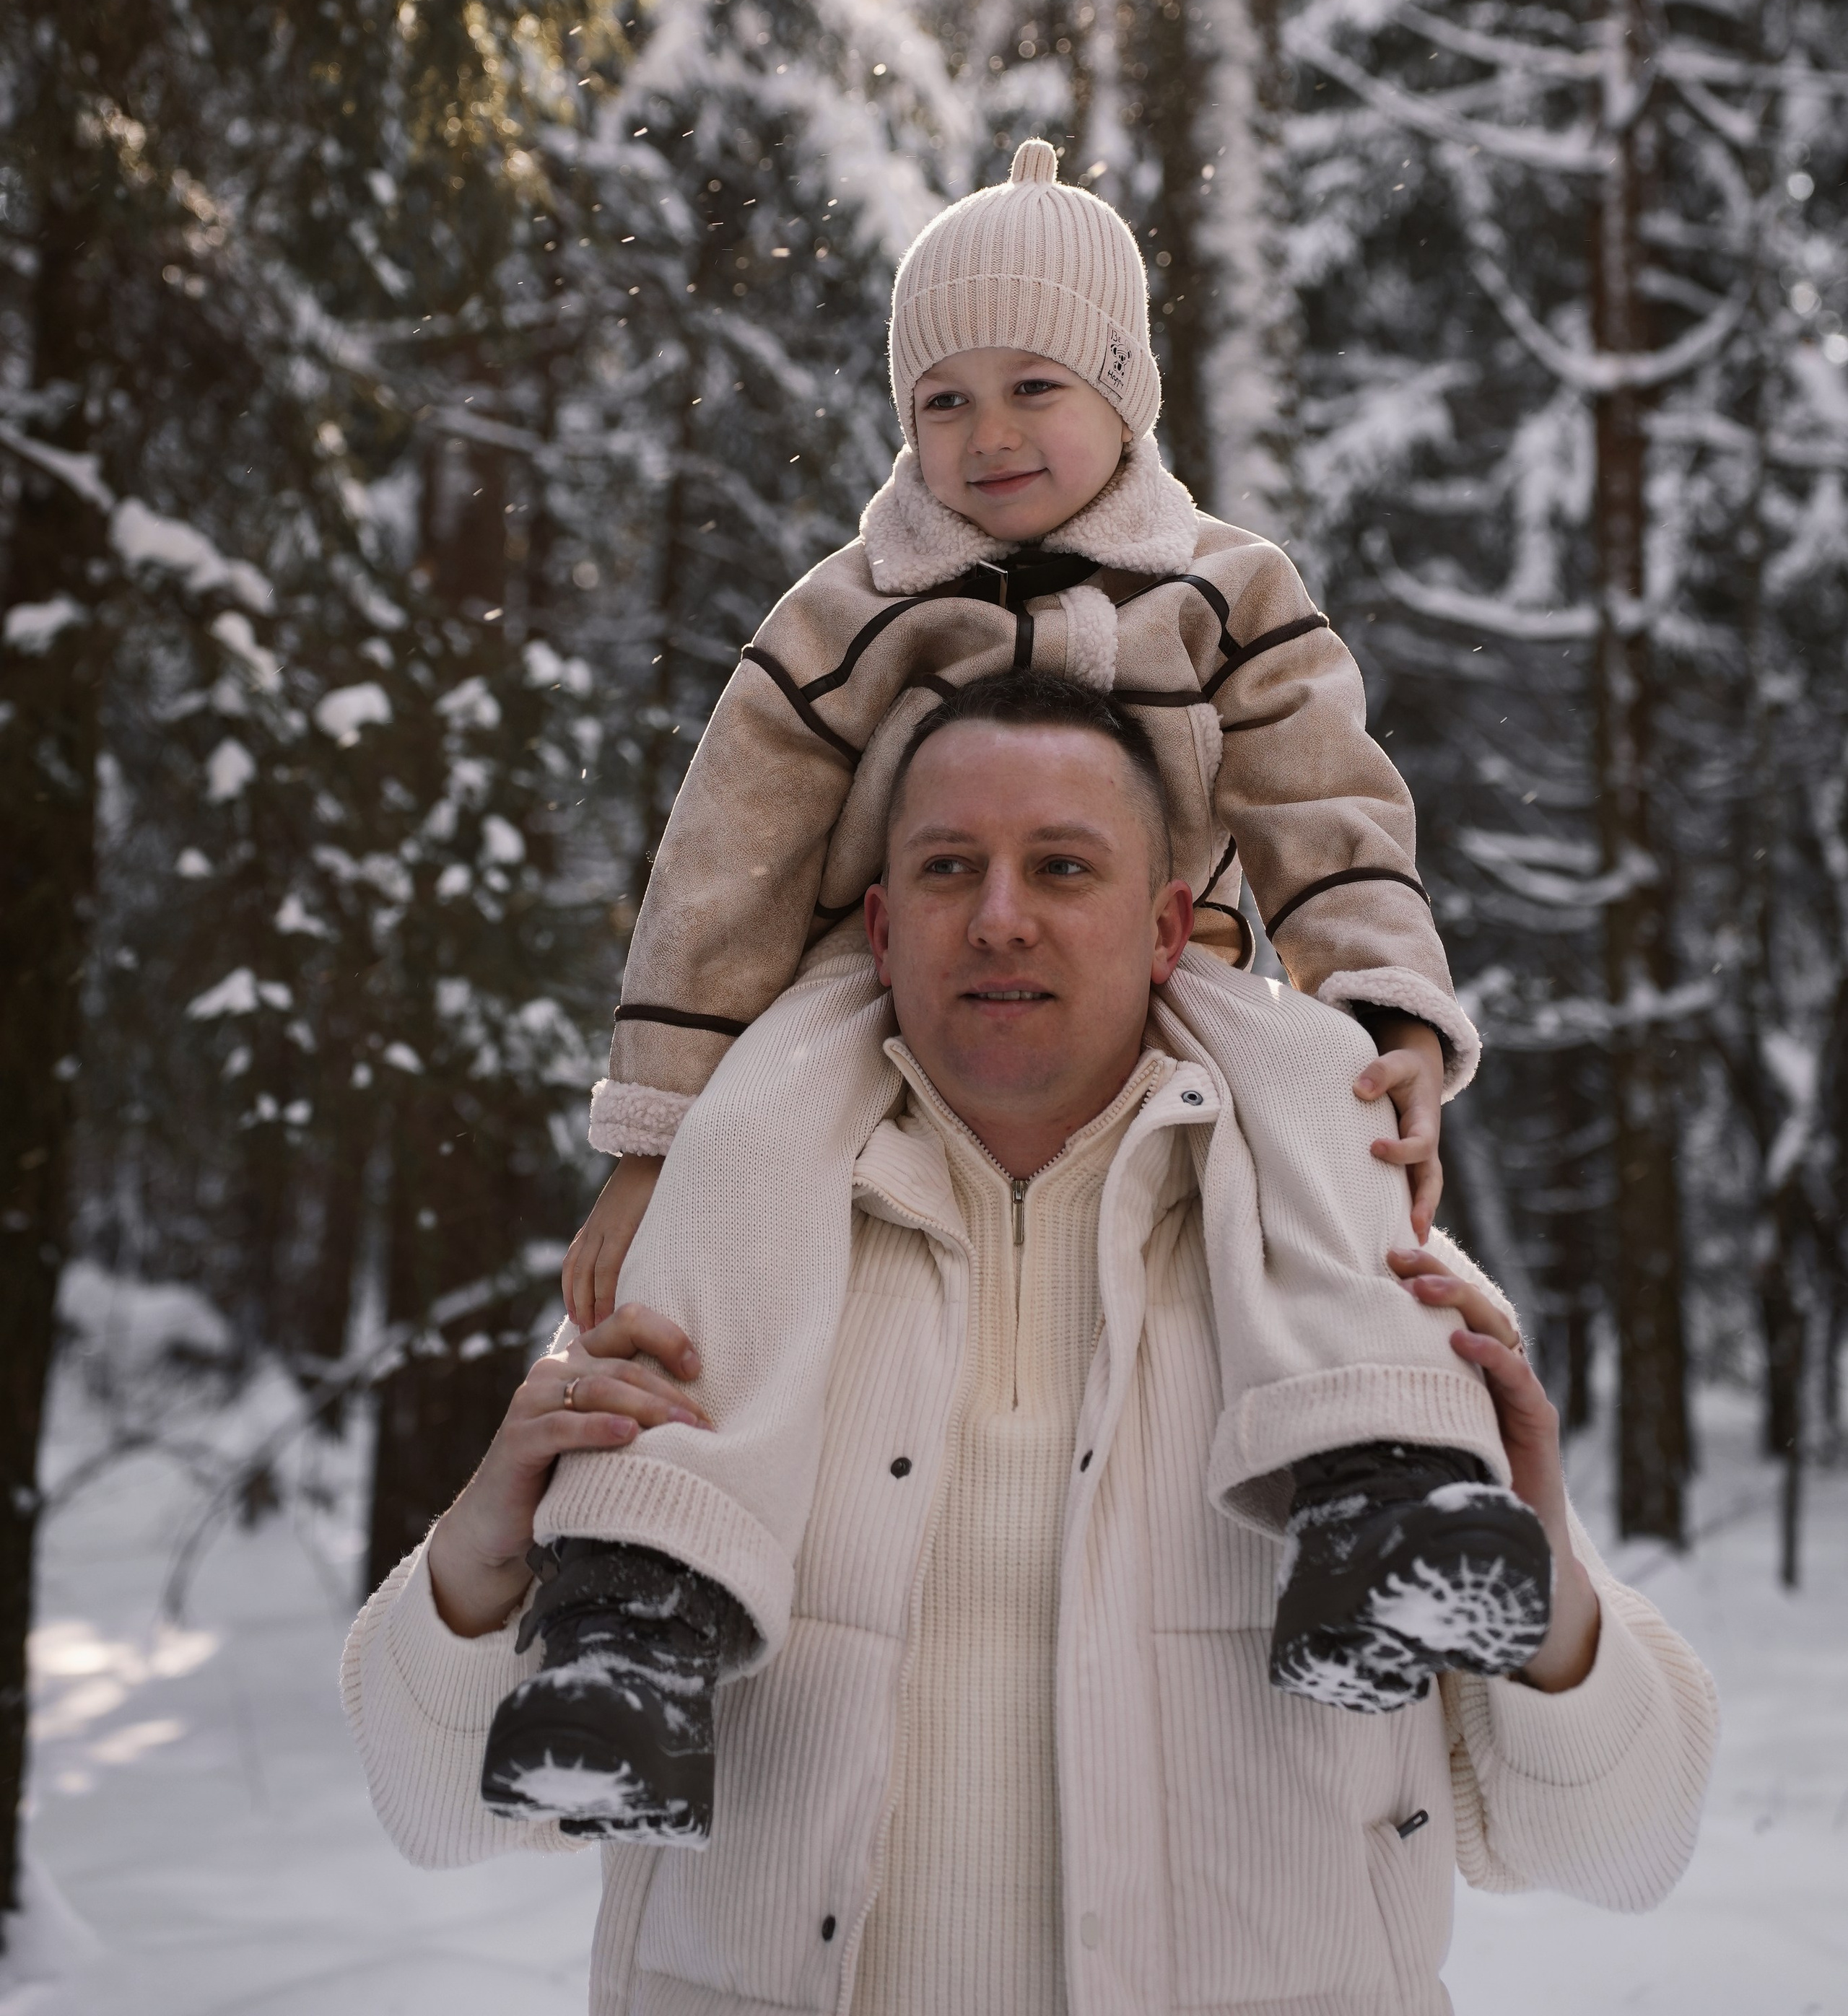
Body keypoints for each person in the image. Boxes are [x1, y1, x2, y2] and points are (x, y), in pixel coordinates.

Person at [341, 684, 1718, 2016]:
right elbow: (443, 1812)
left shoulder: (1357, 1284)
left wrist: (1542, 1553)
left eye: (1063, 867)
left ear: (1168, 925)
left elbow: (1621, 1843)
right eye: (950, 868)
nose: (1001, 919)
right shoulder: (704, 1274)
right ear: (882, 928)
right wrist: (482, 1555)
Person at [505, 137, 1546, 1837]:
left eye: (1032, 389)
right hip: (876, 977)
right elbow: (728, 861)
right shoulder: (852, 607)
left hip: (1180, 964)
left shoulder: (1223, 587)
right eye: (942, 402)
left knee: (1315, 1103)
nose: (986, 436)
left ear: (1124, 391)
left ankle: (1384, 1488)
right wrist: (655, 1140)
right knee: (749, 1157)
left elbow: (1323, 793)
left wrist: (1378, 1005)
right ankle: (639, 1596)